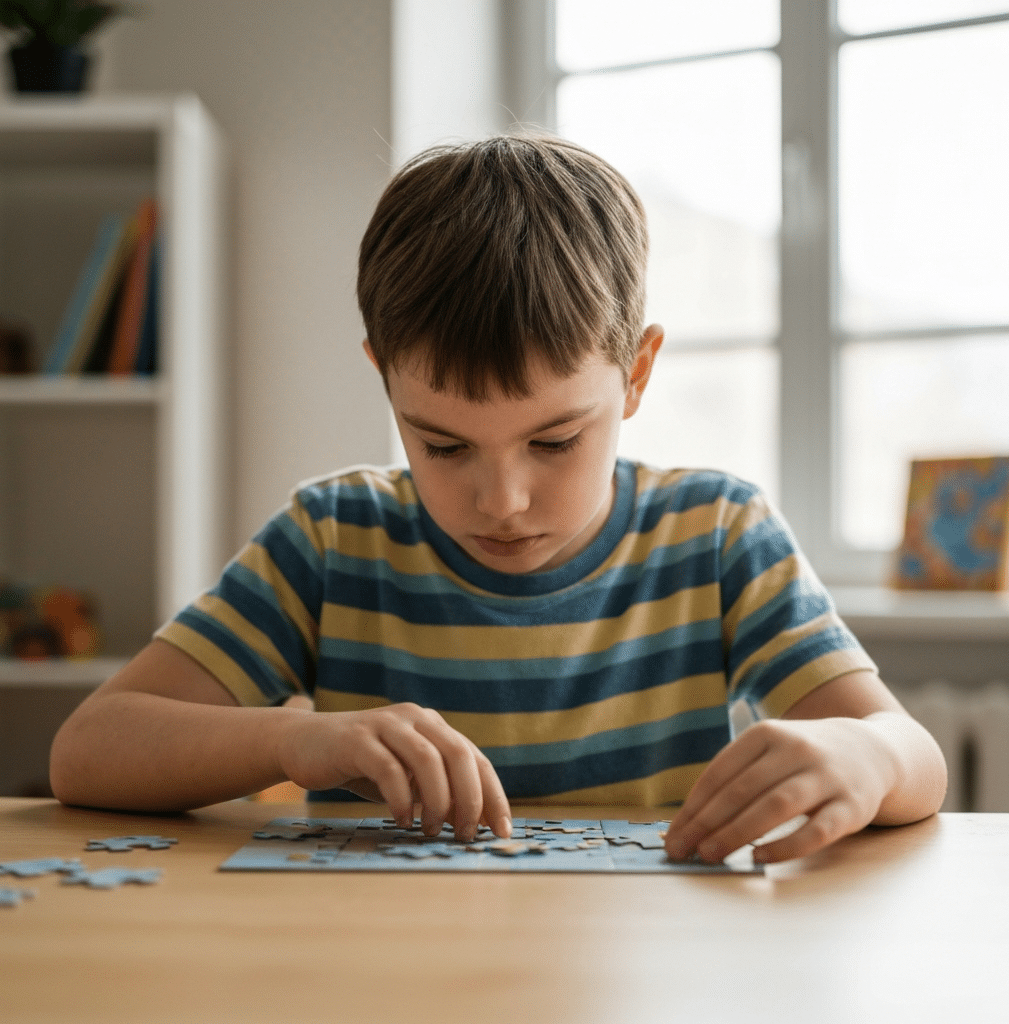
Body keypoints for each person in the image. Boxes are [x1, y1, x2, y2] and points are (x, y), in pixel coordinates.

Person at [50, 135, 946, 865]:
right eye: (441, 444)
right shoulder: (331, 539)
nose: (502, 500)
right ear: (384, 379)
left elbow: (916, 760)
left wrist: (862, 754)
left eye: (554, 441)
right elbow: (88, 751)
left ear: (635, 373)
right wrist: (292, 744)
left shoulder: (718, 534)